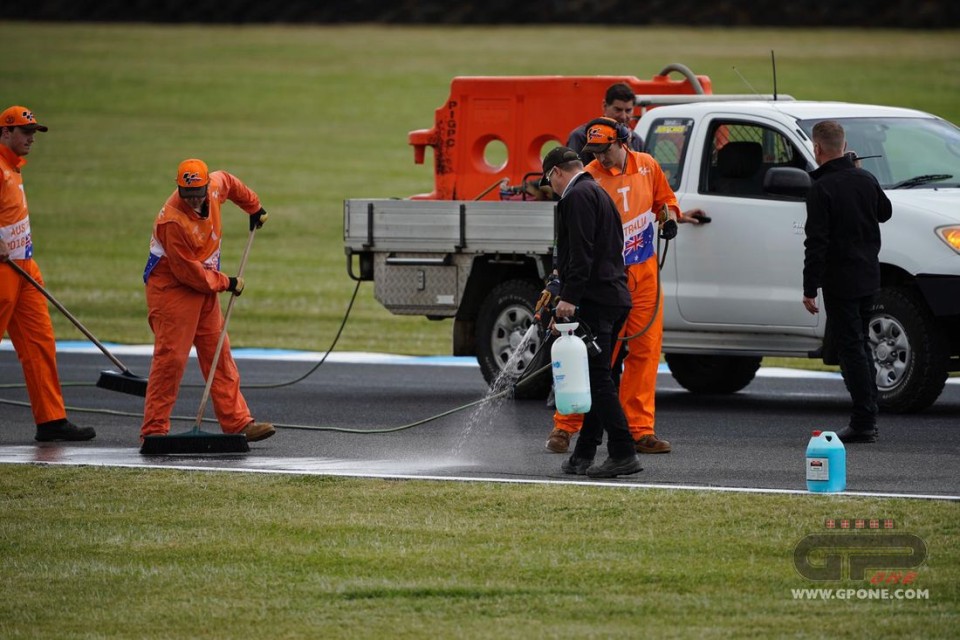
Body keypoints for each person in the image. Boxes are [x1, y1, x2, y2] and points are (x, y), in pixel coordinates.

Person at [545, 118, 685, 455]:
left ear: (622, 142)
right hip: (608, 278)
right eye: (594, 152)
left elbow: (665, 202)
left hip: (645, 275)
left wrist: (669, 218)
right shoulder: (589, 178)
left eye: (605, 150)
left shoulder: (648, 167)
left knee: (645, 352)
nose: (601, 158)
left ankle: (640, 430)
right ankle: (566, 426)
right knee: (593, 356)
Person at [141, 158, 275, 443]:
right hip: (172, 290)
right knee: (171, 360)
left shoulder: (214, 187)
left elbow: (229, 179)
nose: (192, 199)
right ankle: (153, 430)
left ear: (205, 186)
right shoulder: (171, 221)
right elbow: (189, 273)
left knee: (218, 354)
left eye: (197, 192)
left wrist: (253, 206)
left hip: (205, 286)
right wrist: (228, 283)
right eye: (185, 193)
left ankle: (238, 422)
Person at [541, 146, 641, 478]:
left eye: (548, 181)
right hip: (613, 295)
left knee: (598, 379)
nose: (550, 188)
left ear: (556, 172)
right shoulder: (597, 191)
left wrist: (568, 298)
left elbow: (580, 253)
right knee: (604, 377)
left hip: (597, 299)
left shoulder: (576, 197)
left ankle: (623, 451)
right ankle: (583, 454)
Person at [0, 105, 95, 442]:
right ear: (6, 132)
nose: (30, 138)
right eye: (25, 132)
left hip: (23, 266)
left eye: (33, 132)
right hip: (2, 270)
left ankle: (51, 419)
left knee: (40, 341)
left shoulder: (13, 167)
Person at [802, 121, 892, 443]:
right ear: (844, 145)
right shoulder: (865, 179)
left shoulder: (821, 188)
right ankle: (868, 412)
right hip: (869, 276)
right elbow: (885, 212)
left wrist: (809, 287)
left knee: (851, 347)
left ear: (817, 149)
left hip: (840, 281)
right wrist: (858, 173)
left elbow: (816, 243)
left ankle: (863, 419)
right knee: (860, 345)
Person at [567, 83, 644, 165]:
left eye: (628, 111)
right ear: (604, 106)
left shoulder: (637, 141)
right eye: (618, 110)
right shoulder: (581, 137)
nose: (623, 116)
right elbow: (575, 173)